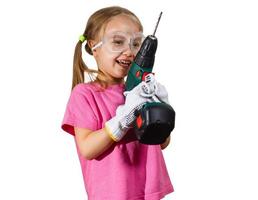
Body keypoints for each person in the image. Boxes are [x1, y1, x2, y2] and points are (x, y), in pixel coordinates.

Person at [61, 6, 174, 200]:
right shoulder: (85, 94)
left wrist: (160, 113)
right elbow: (87, 149)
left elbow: (162, 144)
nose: (129, 51)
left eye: (136, 43)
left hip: (149, 191)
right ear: (93, 47)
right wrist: (122, 120)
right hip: (112, 194)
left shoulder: (140, 91)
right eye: (118, 42)